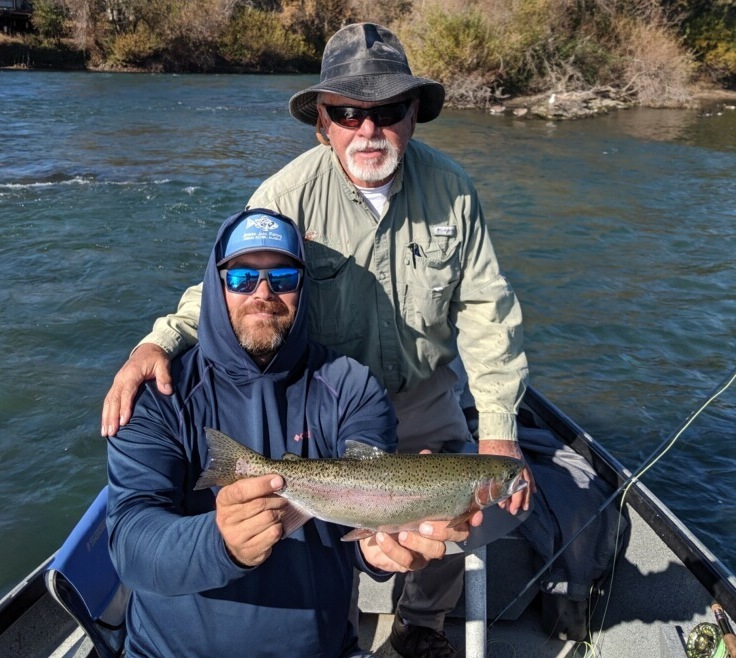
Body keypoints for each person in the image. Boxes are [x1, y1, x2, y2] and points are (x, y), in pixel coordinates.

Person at [102, 23, 534, 658]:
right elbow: (238, 286)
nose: (368, 129)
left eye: (387, 110)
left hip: (419, 393)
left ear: (413, 114)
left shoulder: (453, 191)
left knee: (458, 518)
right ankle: (343, 610)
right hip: (331, 402)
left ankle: (422, 623)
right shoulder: (284, 196)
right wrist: (158, 342)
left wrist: (498, 427)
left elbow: (487, 312)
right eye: (348, 112)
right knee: (341, 519)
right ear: (323, 123)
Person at [106, 208, 472, 658]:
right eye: (242, 278)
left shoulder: (351, 386)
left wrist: (379, 551)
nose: (263, 293)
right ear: (215, 285)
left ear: (304, 285)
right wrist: (219, 543)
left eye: (282, 278)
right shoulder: (158, 392)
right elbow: (129, 542)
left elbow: (361, 528)